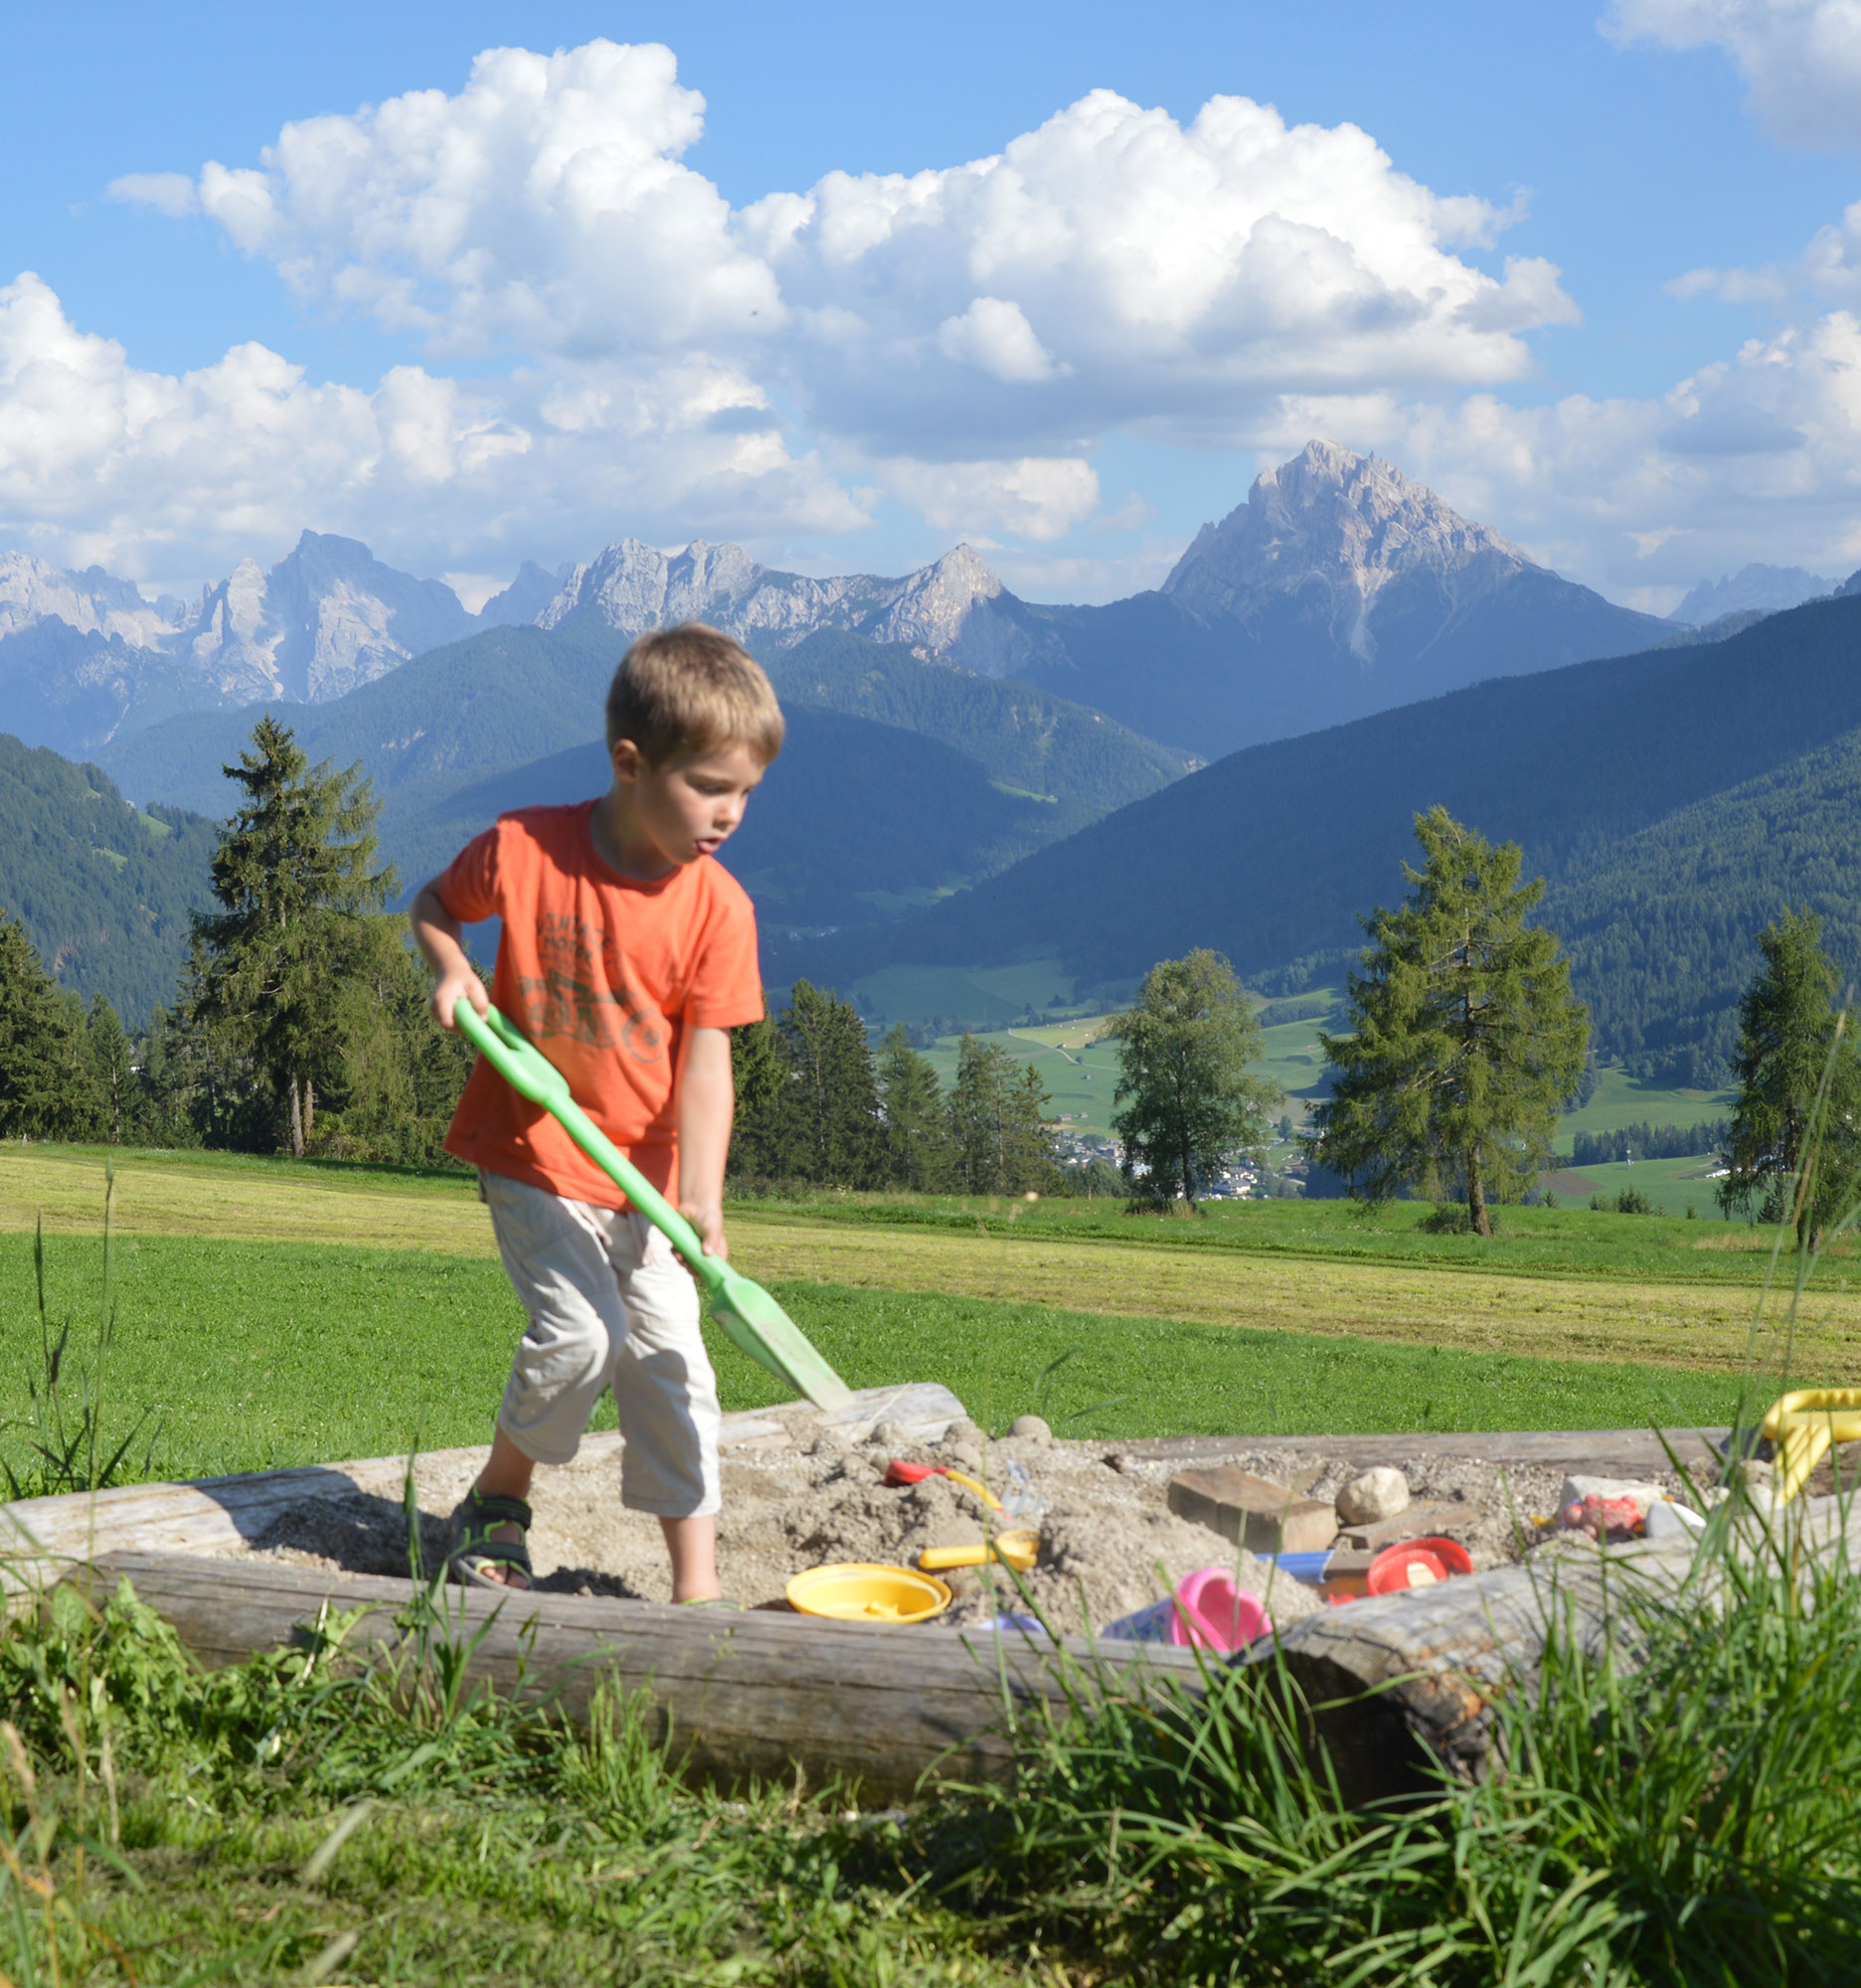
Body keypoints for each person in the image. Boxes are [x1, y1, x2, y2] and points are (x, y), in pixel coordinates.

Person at [411, 622, 781, 1600]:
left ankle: (696, 1588)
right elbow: (434, 903)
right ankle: (496, 1502)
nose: (733, 812)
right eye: (711, 785)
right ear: (631, 762)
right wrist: (452, 968)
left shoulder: (718, 910)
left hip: (647, 1181)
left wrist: (700, 1197)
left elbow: (708, 1062)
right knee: (582, 1336)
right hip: (534, 1145)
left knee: (672, 1364)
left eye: (746, 790)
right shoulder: (526, 849)